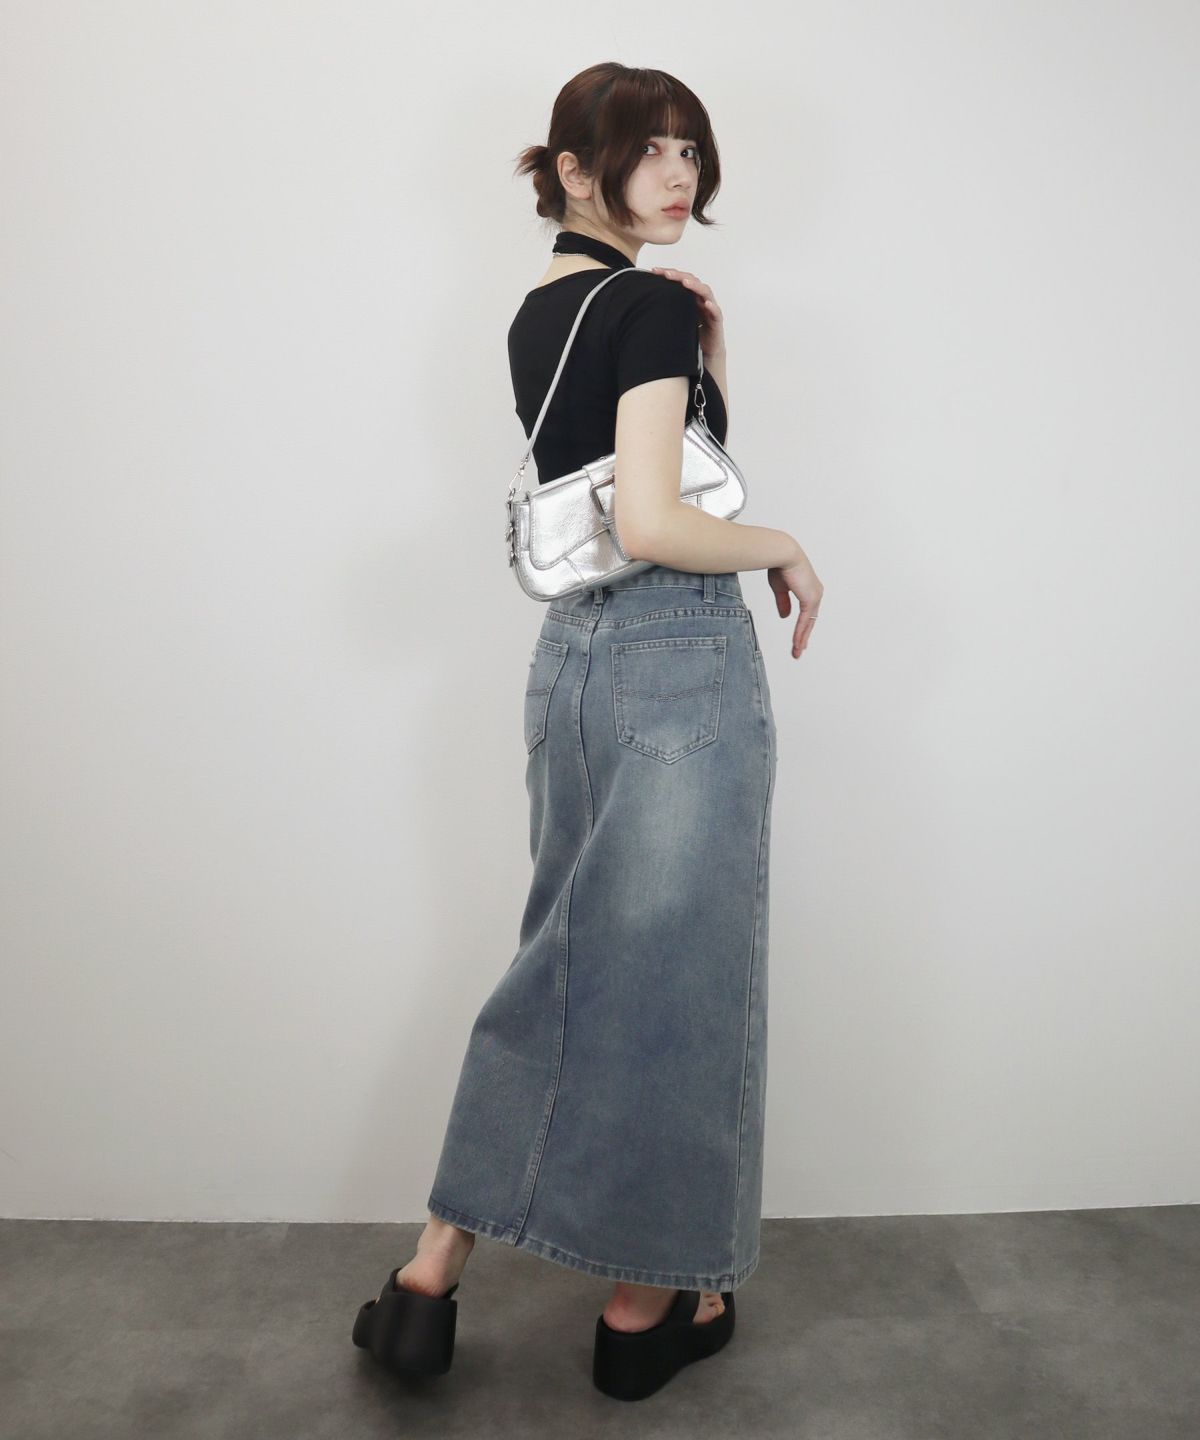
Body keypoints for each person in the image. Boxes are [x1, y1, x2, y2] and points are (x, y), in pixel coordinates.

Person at [353, 61, 823, 1400]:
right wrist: (784, 543)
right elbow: (659, 522)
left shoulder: (542, 311)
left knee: (562, 958)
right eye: (650, 149)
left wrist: (708, 370)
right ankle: (642, 1306)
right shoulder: (648, 306)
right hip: (677, 660)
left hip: (570, 666)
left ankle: (431, 1272)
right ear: (571, 169)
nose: (679, 174)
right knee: (675, 977)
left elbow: (618, 482)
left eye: (691, 151)